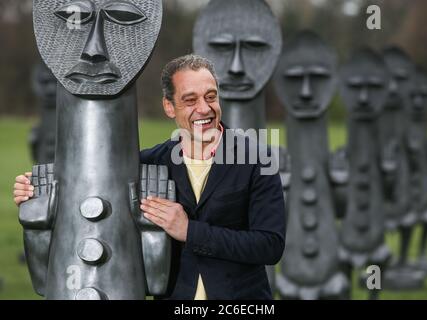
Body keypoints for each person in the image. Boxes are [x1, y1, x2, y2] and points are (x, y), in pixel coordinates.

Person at [14, 54, 286, 300]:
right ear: (169, 107)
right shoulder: (146, 164)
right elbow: (85, 187)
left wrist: (189, 231)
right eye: (190, 100)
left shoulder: (258, 160)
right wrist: (32, 191)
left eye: (211, 96)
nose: (204, 109)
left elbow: (269, 246)